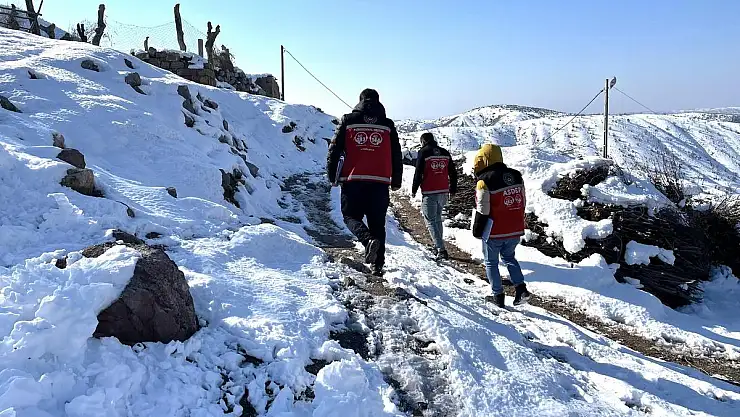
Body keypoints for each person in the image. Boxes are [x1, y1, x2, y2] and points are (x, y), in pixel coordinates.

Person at [327, 89, 402, 276]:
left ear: (360, 100)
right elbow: (396, 153)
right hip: (380, 182)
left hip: (353, 180)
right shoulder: (388, 125)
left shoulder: (348, 120)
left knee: (350, 216)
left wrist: (331, 175)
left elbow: (334, 149)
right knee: (378, 223)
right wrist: (396, 180)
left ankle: (368, 241)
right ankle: (377, 265)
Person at [471, 144, 531, 307]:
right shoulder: (516, 176)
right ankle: (521, 288)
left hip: (494, 230)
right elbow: (523, 202)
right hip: (515, 228)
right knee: (509, 257)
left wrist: (477, 230)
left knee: (491, 262)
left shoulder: (484, 181)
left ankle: (497, 296)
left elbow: (483, 209)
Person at [411, 132, 458, 260]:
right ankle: (438, 246)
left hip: (429, 191)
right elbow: (453, 172)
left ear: (423, 141)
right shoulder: (445, 152)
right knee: (437, 219)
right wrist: (453, 189)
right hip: (443, 191)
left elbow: (418, 172)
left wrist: (414, 189)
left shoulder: (423, 152)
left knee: (430, 220)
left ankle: (441, 249)